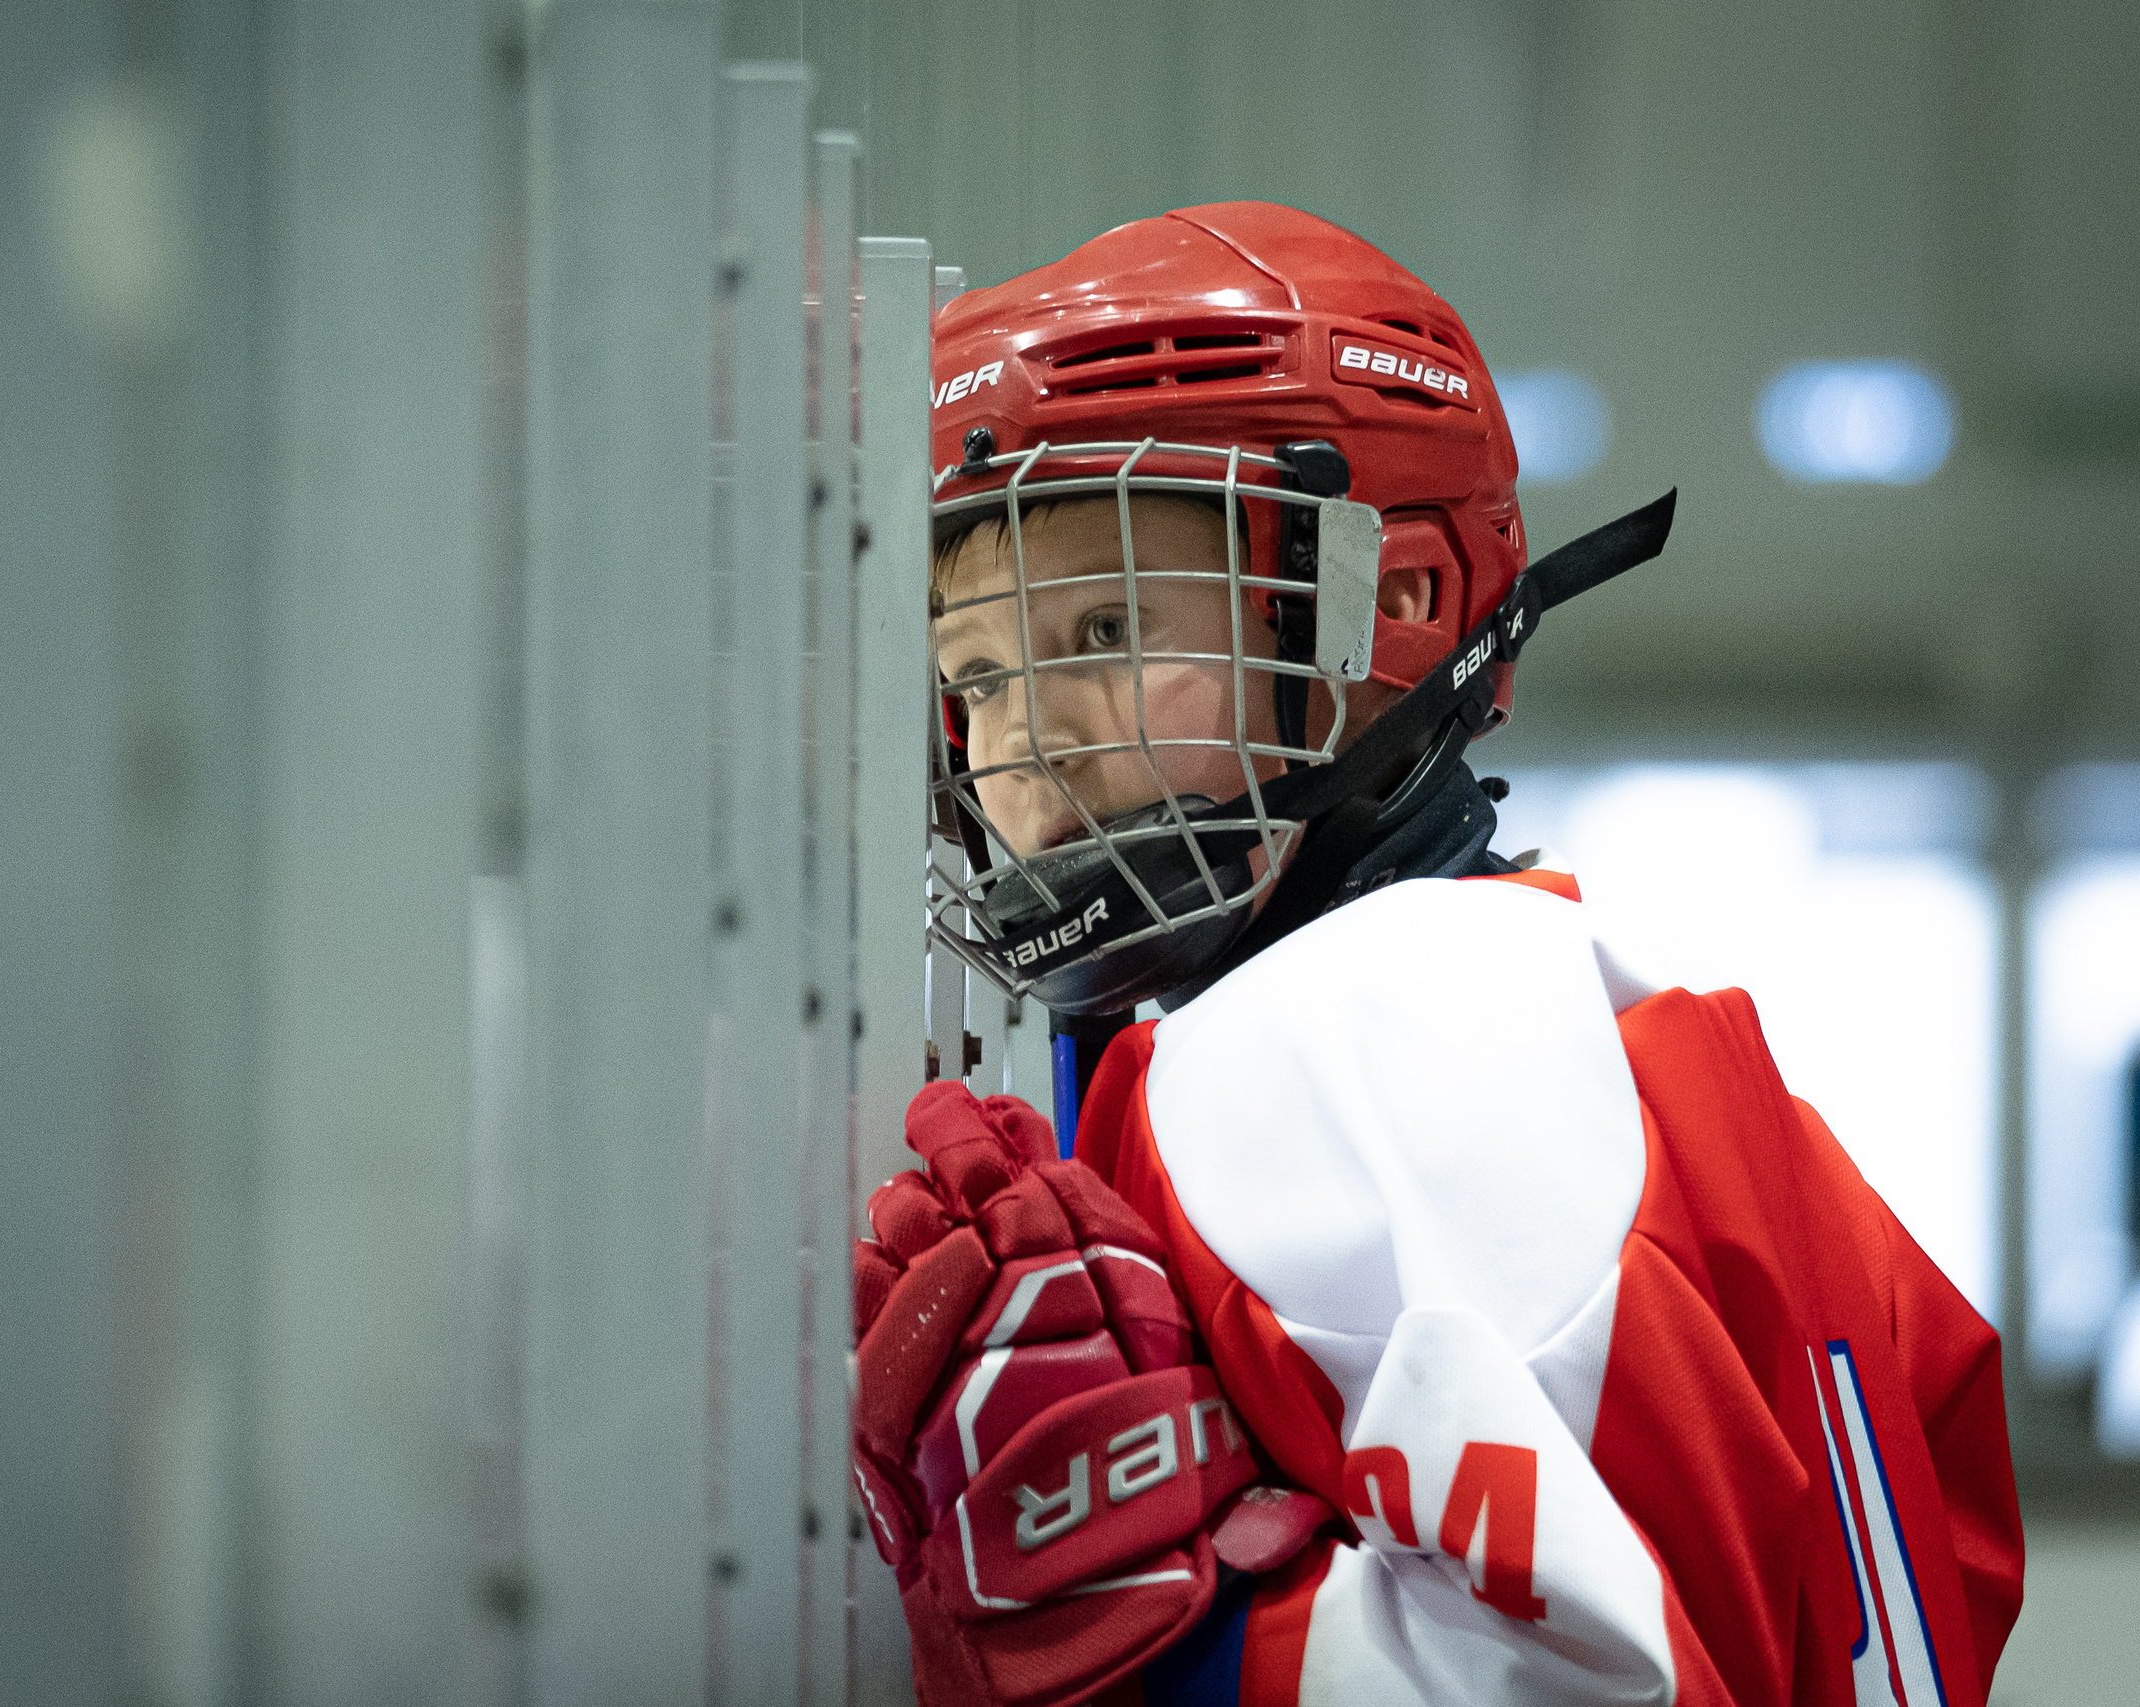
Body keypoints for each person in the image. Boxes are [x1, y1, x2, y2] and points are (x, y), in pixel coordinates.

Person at [850, 202, 2023, 1707]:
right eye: (981, 676)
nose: (1023, 743)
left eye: (1102, 635)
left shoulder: (1356, 1019)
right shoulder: (1565, 1000)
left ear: (1395, 605)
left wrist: (1182, 1648)